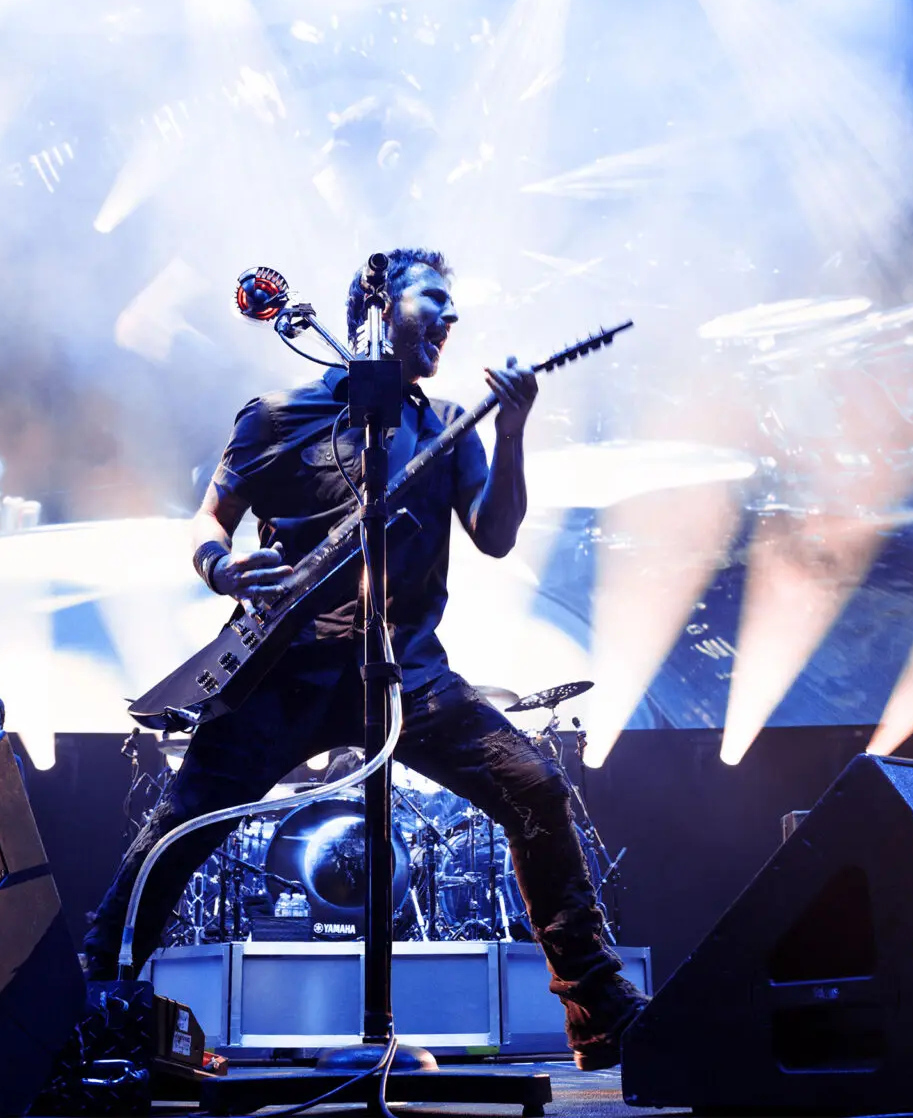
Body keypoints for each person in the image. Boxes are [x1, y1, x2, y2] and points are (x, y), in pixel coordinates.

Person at [82, 248, 646, 1068]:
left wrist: (514, 429)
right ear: (381, 305)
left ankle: (601, 1016)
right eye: (436, 300)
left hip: (407, 673)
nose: (452, 319)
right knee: (178, 828)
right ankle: (94, 1001)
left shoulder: (447, 425)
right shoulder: (277, 418)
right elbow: (209, 520)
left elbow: (493, 535)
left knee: (535, 790)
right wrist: (224, 566)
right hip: (282, 672)